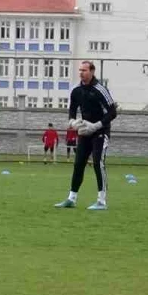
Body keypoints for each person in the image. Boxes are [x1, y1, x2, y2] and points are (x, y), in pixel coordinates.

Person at [54, 61, 117, 210]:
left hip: (100, 132)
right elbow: (72, 109)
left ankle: (101, 201)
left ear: (92, 72)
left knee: (97, 163)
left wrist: (96, 126)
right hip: (84, 133)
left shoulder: (100, 89)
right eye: (80, 70)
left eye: (84, 70)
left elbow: (113, 112)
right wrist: (72, 122)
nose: (81, 73)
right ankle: (71, 199)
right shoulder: (76, 90)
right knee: (78, 164)